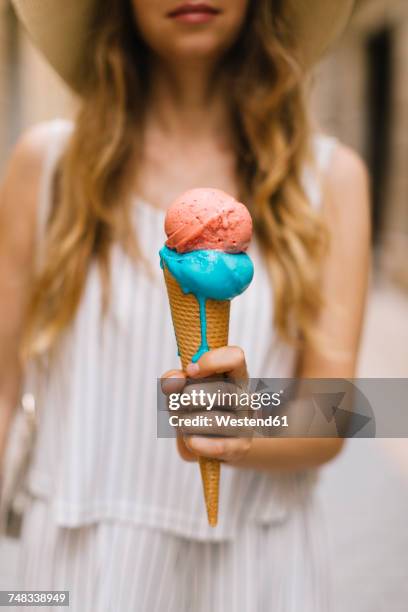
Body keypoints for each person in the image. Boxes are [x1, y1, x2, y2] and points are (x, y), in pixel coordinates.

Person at [0, 0, 370, 610]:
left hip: (256, 568)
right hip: (74, 567)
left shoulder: (330, 178)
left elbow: (341, 414)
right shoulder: (45, 167)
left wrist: (247, 422)